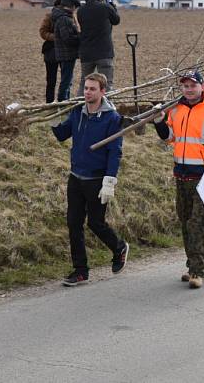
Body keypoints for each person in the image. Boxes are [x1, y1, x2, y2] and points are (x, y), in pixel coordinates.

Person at [153, 70, 204, 289]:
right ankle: (191, 267)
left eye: (192, 85)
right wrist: (159, 122)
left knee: (198, 224)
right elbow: (170, 138)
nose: (188, 89)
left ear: (202, 87)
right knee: (186, 222)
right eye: (185, 86)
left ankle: (198, 271)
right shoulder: (176, 110)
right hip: (181, 174)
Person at [50, 72, 129, 286]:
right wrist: (54, 117)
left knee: (95, 223)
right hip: (76, 176)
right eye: (85, 88)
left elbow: (115, 152)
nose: (87, 92)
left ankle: (119, 247)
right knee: (73, 223)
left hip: (96, 179)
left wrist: (109, 181)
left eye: (92, 89)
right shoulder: (78, 112)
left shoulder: (112, 118)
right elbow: (61, 135)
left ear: (102, 91)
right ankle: (81, 271)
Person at [77, 0, 121, 96]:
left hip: (86, 53)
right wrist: (110, 3)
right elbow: (116, 20)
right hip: (104, 53)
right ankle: (107, 108)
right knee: (106, 83)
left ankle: (79, 107)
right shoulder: (105, 7)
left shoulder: (80, 11)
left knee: (84, 83)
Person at [52, 0, 81, 101]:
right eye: (75, 7)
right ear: (71, 6)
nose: (75, 10)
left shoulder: (62, 17)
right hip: (67, 54)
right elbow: (67, 38)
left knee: (67, 81)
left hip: (65, 53)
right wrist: (79, 36)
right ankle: (62, 103)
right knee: (66, 81)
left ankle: (65, 102)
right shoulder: (64, 19)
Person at [39, 0, 64, 103]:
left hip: (65, 51)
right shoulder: (49, 16)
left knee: (65, 80)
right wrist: (56, 37)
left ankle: (62, 102)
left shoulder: (71, 15)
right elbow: (43, 32)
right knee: (51, 80)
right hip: (51, 50)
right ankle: (49, 103)